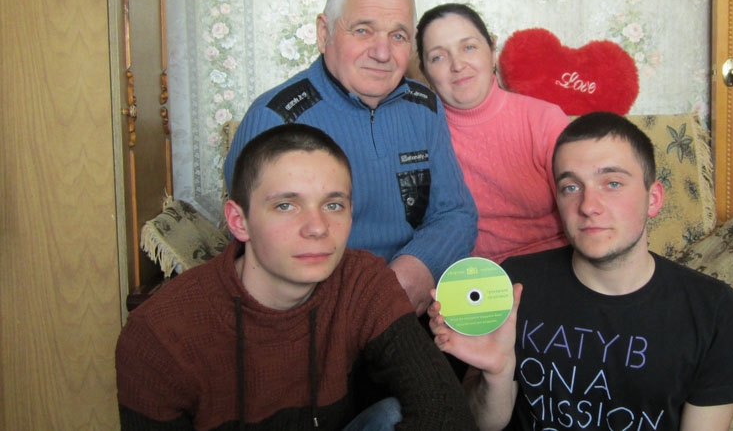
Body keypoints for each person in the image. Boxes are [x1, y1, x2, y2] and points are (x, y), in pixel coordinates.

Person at [117, 123, 477, 430]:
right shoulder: (159, 334)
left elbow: (444, 411)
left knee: (393, 414)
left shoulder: (362, 281)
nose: (318, 228)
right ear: (238, 221)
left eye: (333, 205)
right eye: (286, 206)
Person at [428, 112, 733, 431]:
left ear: (653, 199)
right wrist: (497, 374)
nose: (587, 206)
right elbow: (481, 423)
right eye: (571, 187)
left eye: (612, 183)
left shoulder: (714, 311)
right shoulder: (512, 285)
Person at [224, 0, 477, 316]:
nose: (383, 53)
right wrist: (362, 301)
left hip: (410, 303)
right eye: (363, 30)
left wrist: (417, 267)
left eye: (398, 36)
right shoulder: (277, 118)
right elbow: (258, 251)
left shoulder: (424, 106)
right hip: (315, 313)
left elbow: (456, 213)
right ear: (323, 32)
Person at [416, 3, 569, 264]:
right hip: (471, 281)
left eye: (469, 47)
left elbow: (587, 207)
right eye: (438, 57)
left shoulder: (543, 120)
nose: (457, 65)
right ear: (426, 73)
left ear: (492, 51)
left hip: (554, 264)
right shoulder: (421, 134)